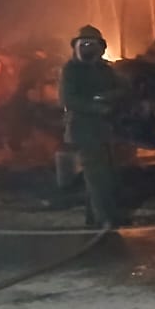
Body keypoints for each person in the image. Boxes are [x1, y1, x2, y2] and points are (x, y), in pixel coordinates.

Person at [59, 25, 124, 229]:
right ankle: (105, 219)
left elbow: (122, 88)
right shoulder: (70, 70)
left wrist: (108, 98)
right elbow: (68, 98)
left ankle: (93, 218)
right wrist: (97, 107)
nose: (87, 48)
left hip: (102, 129)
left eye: (91, 44)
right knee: (97, 175)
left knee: (99, 174)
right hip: (83, 130)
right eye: (83, 44)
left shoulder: (104, 70)